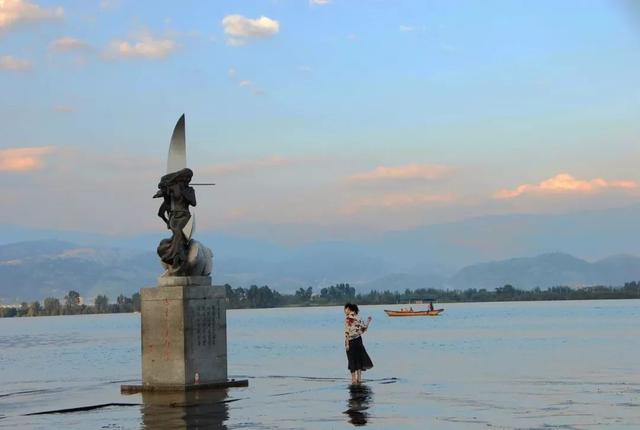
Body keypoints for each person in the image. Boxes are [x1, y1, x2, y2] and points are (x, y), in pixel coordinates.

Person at [344, 303, 373, 384]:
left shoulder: (348, 318)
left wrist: (346, 344)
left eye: (346, 309)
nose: (345, 311)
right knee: (359, 359)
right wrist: (368, 321)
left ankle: (353, 379)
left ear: (350, 309)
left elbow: (347, 332)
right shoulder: (359, 318)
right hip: (359, 340)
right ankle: (359, 379)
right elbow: (363, 329)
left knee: (351, 360)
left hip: (351, 341)